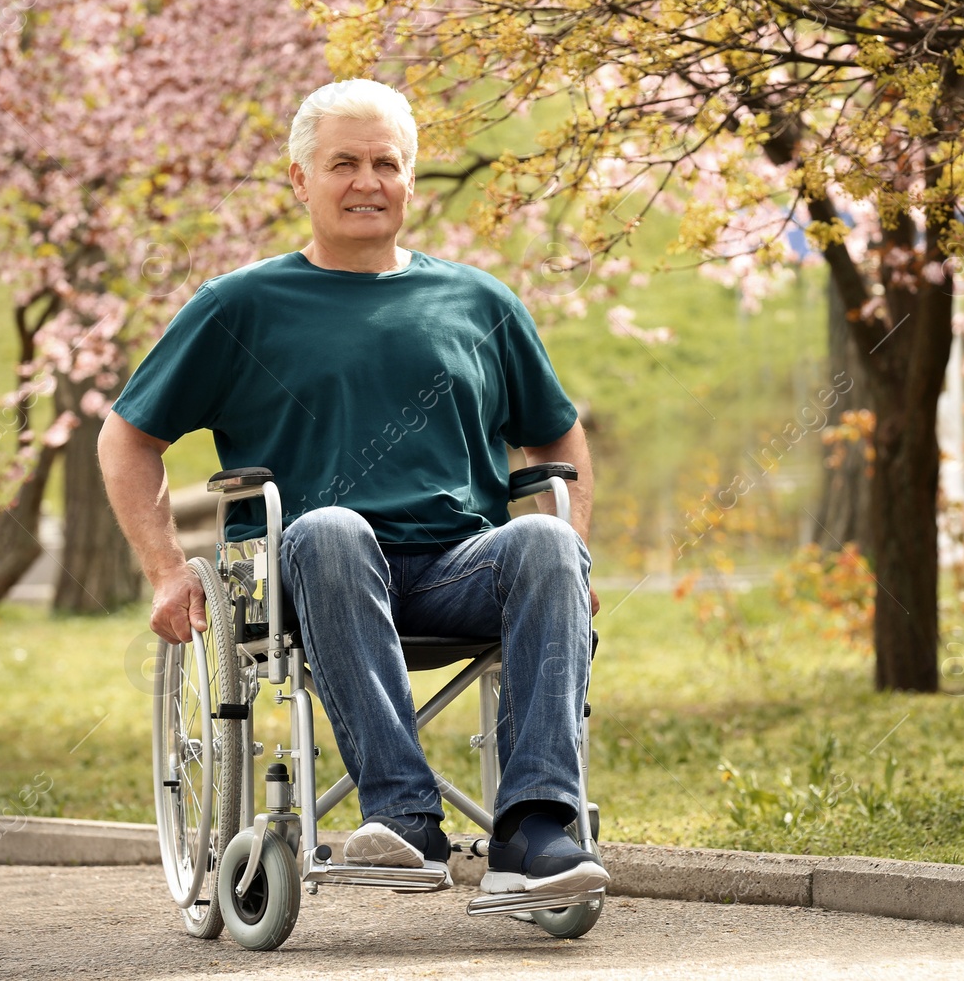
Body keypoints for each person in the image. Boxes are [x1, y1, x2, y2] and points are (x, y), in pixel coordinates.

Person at [99, 78, 607, 897]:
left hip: (455, 569)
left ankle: (537, 830)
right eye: (343, 163)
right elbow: (128, 436)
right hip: (311, 574)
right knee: (332, 527)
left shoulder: (480, 300)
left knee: (548, 540)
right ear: (300, 179)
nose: (366, 182)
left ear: (410, 178)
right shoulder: (242, 304)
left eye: (386, 163)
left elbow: (557, 433)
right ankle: (404, 821)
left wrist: (573, 548)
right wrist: (165, 567)